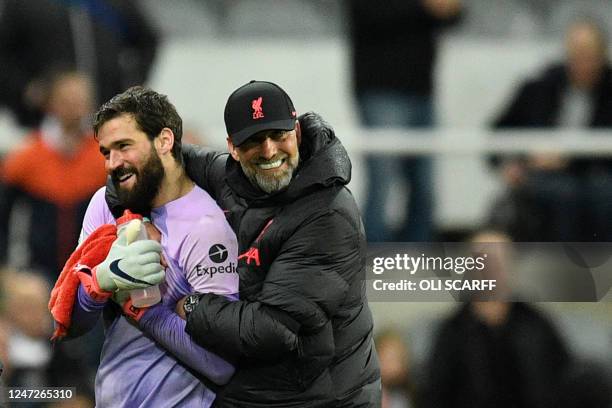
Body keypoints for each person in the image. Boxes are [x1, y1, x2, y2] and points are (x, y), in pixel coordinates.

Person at [130, 80, 381, 407]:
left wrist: (191, 306)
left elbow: (272, 329)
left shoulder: (328, 214)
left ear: (297, 133)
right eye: (254, 140)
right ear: (233, 147)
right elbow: (179, 159)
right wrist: (127, 196)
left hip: (321, 400)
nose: (269, 150)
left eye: (278, 135)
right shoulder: (233, 178)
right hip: (265, 394)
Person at [62, 86, 239, 407]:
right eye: (106, 152)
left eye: (124, 147)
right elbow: (69, 322)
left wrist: (144, 310)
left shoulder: (207, 227)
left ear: (164, 141)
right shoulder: (105, 204)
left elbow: (222, 364)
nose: (112, 164)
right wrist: (100, 281)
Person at [348, 0, 463, 242]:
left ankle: (418, 259)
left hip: (422, 90)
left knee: (424, 184)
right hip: (380, 90)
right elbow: (369, 14)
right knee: (382, 181)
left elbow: (453, 16)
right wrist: (424, 7)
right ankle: (374, 259)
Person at [490, 19, 612, 241]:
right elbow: (498, 133)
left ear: (602, 55)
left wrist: (567, 159)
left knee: (599, 192)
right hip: (542, 175)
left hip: (597, 177)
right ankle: (557, 269)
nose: (582, 62)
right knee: (557, 193)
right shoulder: (540, 87)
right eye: (576, 54)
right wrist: (511, 162)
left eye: (589, 54)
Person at [0, 71, 106, 281]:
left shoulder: (104, 156)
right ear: (51, 104)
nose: (75, 109)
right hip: (36, 273)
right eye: (67, 101)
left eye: (80, 101)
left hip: (93, 272)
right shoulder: (26, 157)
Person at [0, 0, 158, 127]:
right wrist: (24, 88)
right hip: (40, 120)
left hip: (106, 112)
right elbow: (5, 55)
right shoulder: (23, 5)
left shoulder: (117, 4)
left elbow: (147, 40)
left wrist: (132, 82)